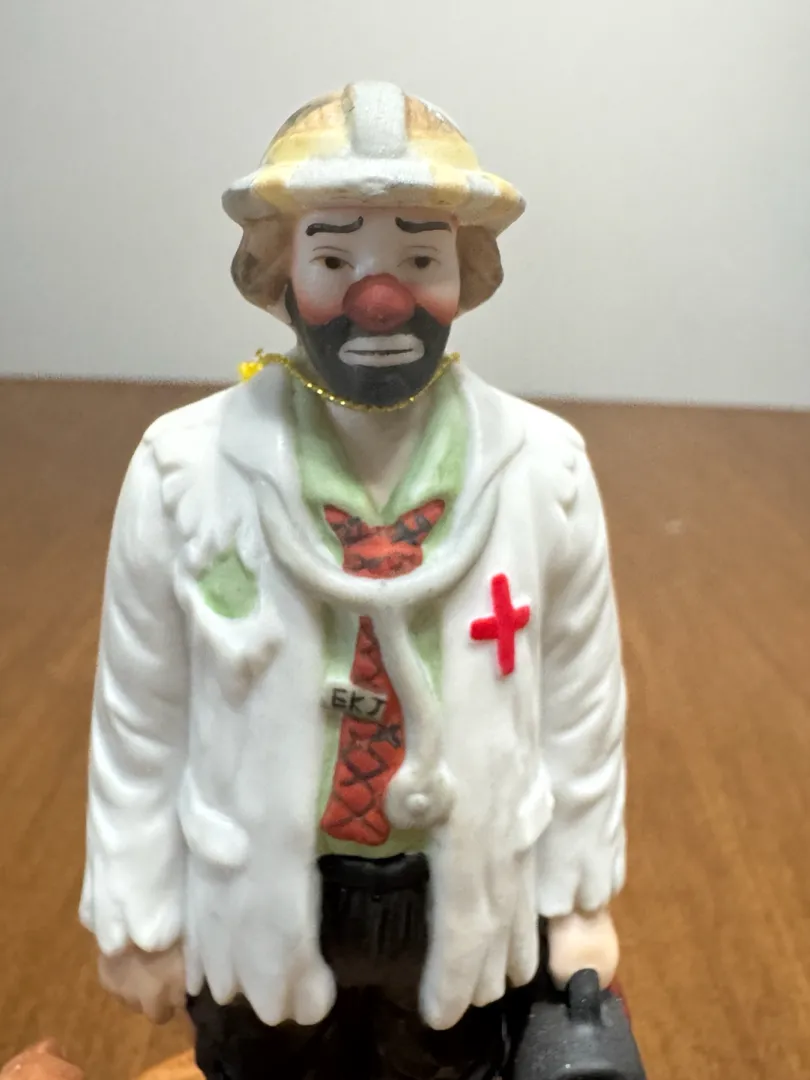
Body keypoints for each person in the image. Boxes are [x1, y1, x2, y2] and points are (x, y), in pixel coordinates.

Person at [81, 82, 645, 1079]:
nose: (378, 299)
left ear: (464, 274)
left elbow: (580, 703)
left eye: (419, 261)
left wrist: (578, 896)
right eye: (335, 261)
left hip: (463, 894)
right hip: (262, 892)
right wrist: (137, 905)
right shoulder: (182, 469)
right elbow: (141, 714)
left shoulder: (543, 469)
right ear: (279, 272)